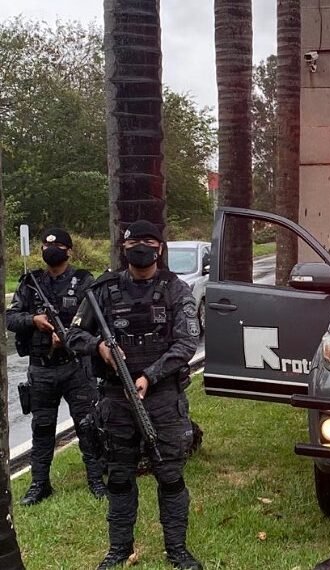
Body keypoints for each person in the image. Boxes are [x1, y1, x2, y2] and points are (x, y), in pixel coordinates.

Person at [66, 220, 202, 570]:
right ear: (123, 248)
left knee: (170, 476)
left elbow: (186, 343)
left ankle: (177, 550)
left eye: (148, 241)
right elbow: (73, 336)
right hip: (116, 399)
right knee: (120, 478)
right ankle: (119, 549)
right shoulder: (102, 291)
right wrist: (100, 348)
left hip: (162, 398)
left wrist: (149, 376)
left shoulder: (176, 290)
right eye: (133, 242)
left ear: (159, 248)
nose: (140, 247)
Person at [5, 228, 105, 505]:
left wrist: (70, 336)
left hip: (75, 367)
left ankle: (96, 480)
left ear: (69, 251)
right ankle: (40, 484)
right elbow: (11, 318)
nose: (52, 250)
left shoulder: (84, 281)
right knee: (42, 427)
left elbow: (97, 320)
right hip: (41, 369)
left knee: (87, 425)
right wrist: (33, 320)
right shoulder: (30, 282)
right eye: (46, 246)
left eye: (59, 246)